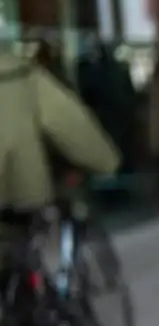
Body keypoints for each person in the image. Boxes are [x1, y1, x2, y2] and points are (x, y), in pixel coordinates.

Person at [0, 48, 121, 212]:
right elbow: (68, 120)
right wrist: (106, 162)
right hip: (22, 202)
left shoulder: (25, 76)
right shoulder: (22, 76)